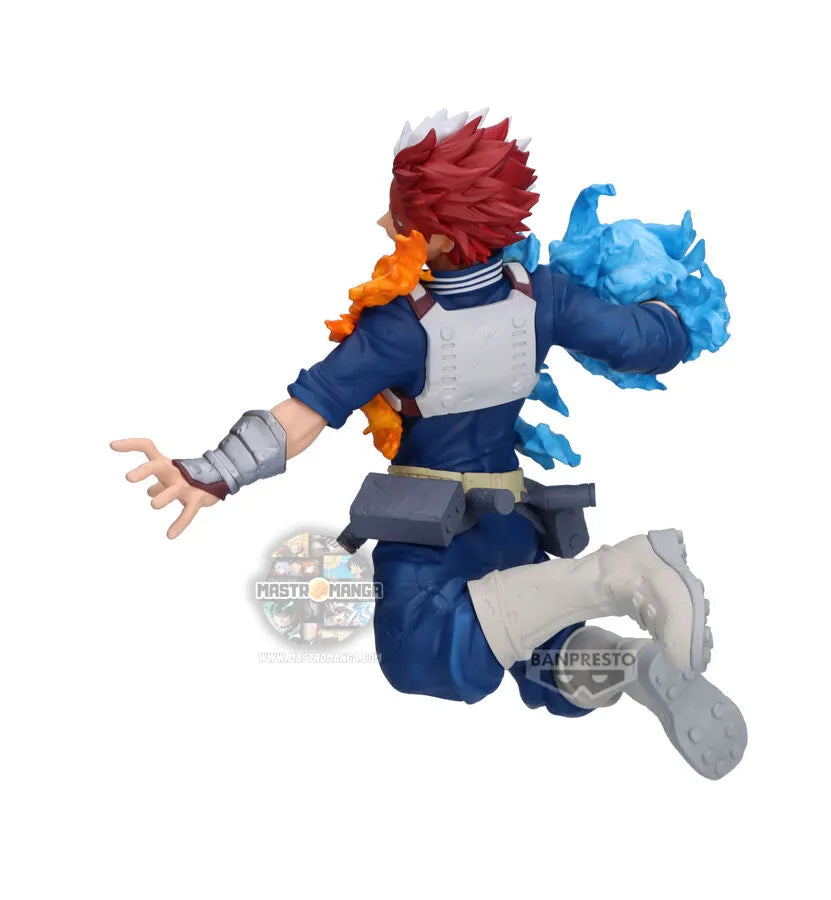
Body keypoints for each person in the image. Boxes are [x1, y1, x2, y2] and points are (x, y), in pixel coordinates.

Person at [113, 110, 745, 779]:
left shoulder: (400, 327)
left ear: (439, 238)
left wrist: (214, 472)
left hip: (430, 533)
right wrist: (675, 305)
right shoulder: (545, 298)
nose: (385, 225)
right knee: (540, 654)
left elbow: (307, 411)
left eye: (400, 217)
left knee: (422, 651)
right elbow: (646, 344)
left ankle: (617, 574)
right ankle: (634, 666)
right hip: (514, 523)